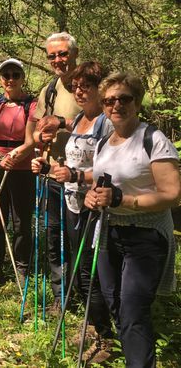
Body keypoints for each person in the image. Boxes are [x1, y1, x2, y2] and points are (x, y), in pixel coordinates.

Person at [84, 73, 179, 367]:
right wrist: (92, 197)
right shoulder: (103, 143)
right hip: (109, 233)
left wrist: (123, 200)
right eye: (109, 100)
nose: (116, 105)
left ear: (136, 102)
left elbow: (173, 194)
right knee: (115, 304)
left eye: (124, 99)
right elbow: (99, 185)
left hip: (146, 236)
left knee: (133, 312)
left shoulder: (152, 139)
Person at [32, 62, 114, 361]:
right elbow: (69, 155)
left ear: (99, 88)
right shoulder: (79, 118)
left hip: (95, 207)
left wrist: (77, 176)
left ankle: (106, 338)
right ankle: (95, 325)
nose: (79, 91)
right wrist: (48, 167)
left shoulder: (105, 122)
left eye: (86, 86)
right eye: (75, 86)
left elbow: (110, 168)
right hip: (71, 203)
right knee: (80, 272)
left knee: (93, 272)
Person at [31, 31, 82, 310]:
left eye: (62, 54)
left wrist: (60, 122)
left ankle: (86, 298)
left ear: (74, 53)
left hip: (82, 178)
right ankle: (61, 298)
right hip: (52, 175)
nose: (58, 60)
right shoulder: (49, 89)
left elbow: (98, 122)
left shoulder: (86, 85)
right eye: (52, 56)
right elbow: (39, 129)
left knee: (79, 241)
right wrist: (41, 140)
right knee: (54, 238)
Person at [0, 58, 36, 288]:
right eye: (6, 75)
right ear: (0, 79)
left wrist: (12, 158)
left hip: (21, 168)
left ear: (22, 78)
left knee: (22, 220)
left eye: (15, 75)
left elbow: (31, 141)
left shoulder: (32, 104)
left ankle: (21, 268)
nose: (10, 79)